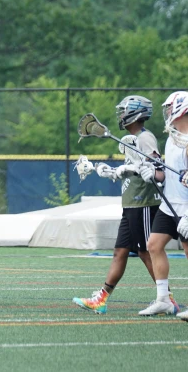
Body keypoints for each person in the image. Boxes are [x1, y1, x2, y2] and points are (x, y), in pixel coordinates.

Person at [73, 95, 179, 314]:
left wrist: (128, 169)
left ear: (135, 113)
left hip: (144, 203)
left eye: (124, 111)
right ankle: (101, 299)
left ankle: (168, 299)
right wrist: (110, 172)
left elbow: (154, 169)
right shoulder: (130, 139)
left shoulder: (145, 138)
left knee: (147, 252)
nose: (120, 115)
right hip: (130, 203)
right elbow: (134, 169)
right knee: (119, 252)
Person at [135, 91, 188, 317]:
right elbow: (166, 174)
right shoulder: (172, 139)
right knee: (154, 245)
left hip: (186, 207)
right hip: (169, 205)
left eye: (170, 108)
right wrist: (153, 175)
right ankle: (163, 300)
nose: (167, 113)